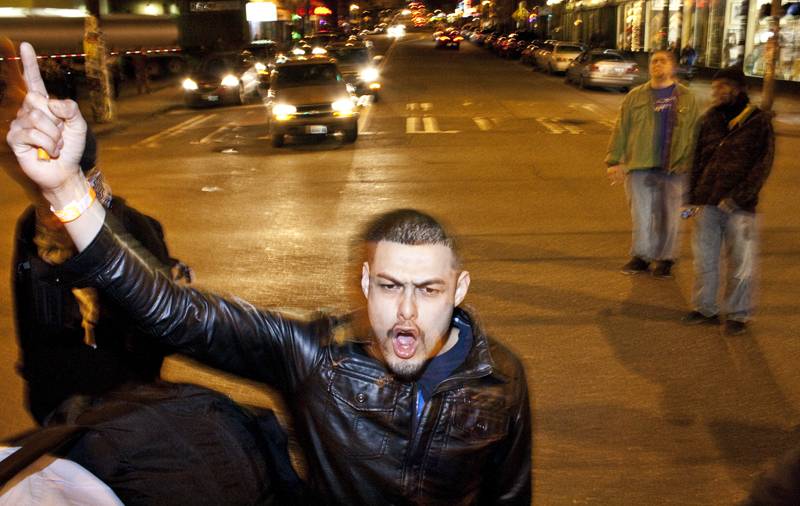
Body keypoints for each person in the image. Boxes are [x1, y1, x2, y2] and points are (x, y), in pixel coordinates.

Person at [7, 42, 532, 506]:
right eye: (391, 286)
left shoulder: (501, 378)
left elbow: (509, 494)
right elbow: (176, 312)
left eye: (430, 290)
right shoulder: (313, 358)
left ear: (460, 289)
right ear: (366, 282)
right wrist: (66, 192)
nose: (408, 313)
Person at [681, 65, 773, 336]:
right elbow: (696, 159)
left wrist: (738, 197)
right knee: (705, 260)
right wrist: (692, 200)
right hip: (707, 203)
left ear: (738, 89)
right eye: (714, 87)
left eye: (723, 87)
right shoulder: (710, 118)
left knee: (741, 265)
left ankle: (738, 314)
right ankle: (705, 309)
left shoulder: (758, 121)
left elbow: (762, 166)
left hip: (741, 208)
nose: (717, 92)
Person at [605, 50, 700, 278]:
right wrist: (614, 160)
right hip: (640, 164)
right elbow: (621, 127)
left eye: (663, 61)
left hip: (675, 167)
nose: (658, 64)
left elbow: (696, 133)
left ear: (673, 67)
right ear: (650, 68)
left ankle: (666, 259)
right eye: (654, 61)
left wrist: (690, 163)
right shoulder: (635, 96)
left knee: (671, 217)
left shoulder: (687, 97)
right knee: (642, 215)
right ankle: (641, 256)